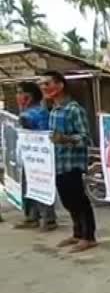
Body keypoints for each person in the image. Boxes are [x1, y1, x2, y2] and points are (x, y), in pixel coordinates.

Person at [41, 70, 97, 253]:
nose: (44, 87)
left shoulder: (74, 110)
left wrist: (66, 139)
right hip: (58, 164)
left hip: (72, 163)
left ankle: (89, 237)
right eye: (42, 84)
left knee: (78, 200)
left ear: (60, 85)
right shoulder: (53, 109)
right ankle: (77, 233)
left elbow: (85, 137)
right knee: (67, 201)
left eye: (48, 83)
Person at [14, 81, 57, 231]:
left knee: (40, 184)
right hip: (28, 157)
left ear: (29, 96)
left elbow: (33, 127)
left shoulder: (37, 112)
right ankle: (32, 217)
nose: (17, 96)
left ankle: (48, 218)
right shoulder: (28, 111)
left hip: (40, 158)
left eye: (20, 93)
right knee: (28, 186)